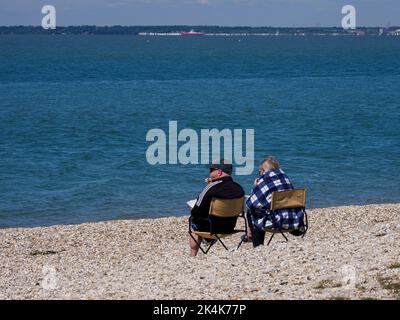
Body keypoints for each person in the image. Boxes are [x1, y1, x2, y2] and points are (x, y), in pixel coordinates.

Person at [245, 156, 305, 247]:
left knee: (252, 211)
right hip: (294, 220)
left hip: (276, 222)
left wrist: (255, 187)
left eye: (259, 172)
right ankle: (251, 237)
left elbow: (251, 203)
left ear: (263, 169)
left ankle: (257, 244)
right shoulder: (284, 177)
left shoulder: (266, 178)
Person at [189, 160, 245, 257]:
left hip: (211, 228)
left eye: (211, 170)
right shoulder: (239, 188)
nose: (209, 172)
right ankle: (209, 240)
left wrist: (209, 186)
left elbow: (196, 211)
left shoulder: (211, 187)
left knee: (193, 218)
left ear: (219, 172)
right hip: (229, 227)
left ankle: (193, 255)